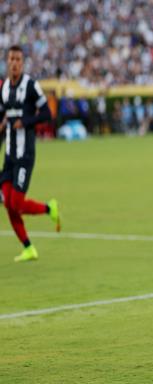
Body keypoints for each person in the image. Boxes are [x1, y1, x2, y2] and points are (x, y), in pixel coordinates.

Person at [0, 45, 61, 262]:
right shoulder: (4, 88)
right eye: (11, 59)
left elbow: (47, 114)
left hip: (25, 154)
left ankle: (49, 208)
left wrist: (26, 121)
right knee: (8, 204)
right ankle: (28, 248)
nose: (14, 63)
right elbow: (3, 113)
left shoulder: (31, 86)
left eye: (18, 59)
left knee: (15, 204)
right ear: (7, 62)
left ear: (23, 63)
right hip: (9, 155)